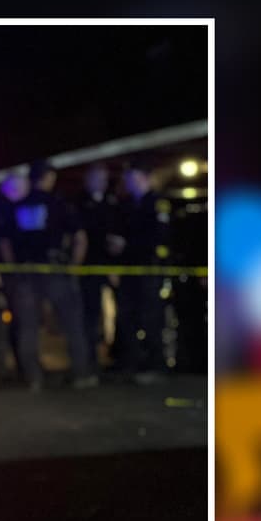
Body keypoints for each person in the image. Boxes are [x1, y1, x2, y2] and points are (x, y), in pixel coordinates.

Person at [0, 163, 97, 392]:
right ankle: (81, 374)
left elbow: (4, 242)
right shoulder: (59, 202)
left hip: (25, 273)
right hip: (55, 270)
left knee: (28, 327)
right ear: (49, 178)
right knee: (73, 323)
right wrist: (74, 265)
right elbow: (80, 237)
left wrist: (12, 267)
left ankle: (33, 377)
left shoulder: (16, 205)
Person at [115, 157, 171, 383]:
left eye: (133, 178)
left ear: (145, 178)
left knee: (151, 317)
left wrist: (129, 244)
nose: (128, 182)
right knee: (128, 317)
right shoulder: (128, 205)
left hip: (149, 269)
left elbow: (161, 237)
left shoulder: (157, 203)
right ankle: (132, 364)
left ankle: (156, 366)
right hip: (130, 270)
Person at [73, 162, 120, 373]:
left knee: (121, 314)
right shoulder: (79, 203)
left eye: (104, 178)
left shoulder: (113, 202)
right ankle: (90, 362)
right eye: (96, 178)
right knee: (89, 316)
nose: (100, 182)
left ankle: (118, 357)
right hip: (89, 269)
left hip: (112, 268)